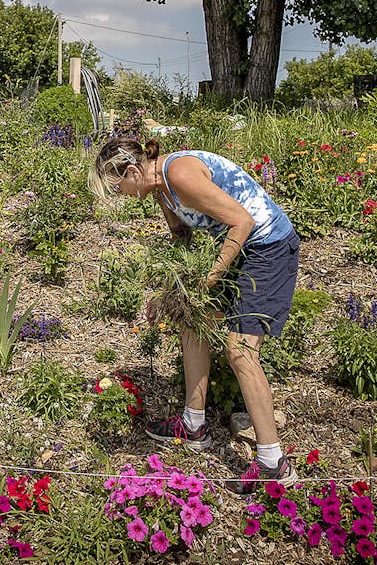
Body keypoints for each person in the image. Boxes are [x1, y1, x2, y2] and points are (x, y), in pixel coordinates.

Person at [90, 137, 300, 487]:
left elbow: (242, 222)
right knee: (191, 320)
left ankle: (273, 463)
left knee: (240, 350)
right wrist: (172, 293)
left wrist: (210, 278)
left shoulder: (180, 174)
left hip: (268, 248)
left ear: (132, 171)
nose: (120, 195)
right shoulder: (161, 191)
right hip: (237, 247)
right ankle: (193, 424)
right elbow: (181, 238)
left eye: (117, 187)